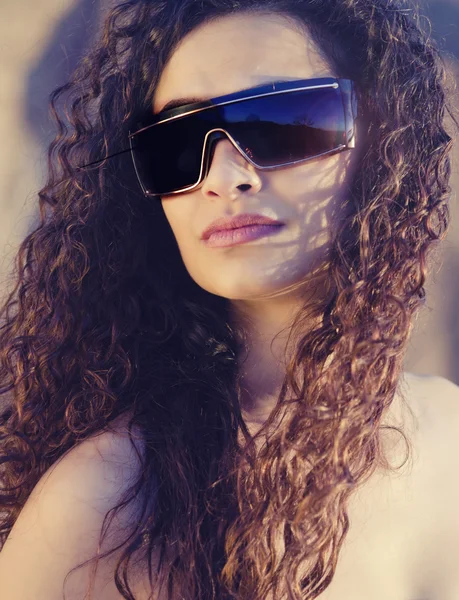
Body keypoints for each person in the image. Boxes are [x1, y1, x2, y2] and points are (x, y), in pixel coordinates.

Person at [0, 0, 458, 598]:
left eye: (280, 121)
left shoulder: (447, 428)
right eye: (177, 143)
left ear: (380, 141)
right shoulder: (107, 498)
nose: (224, 175)